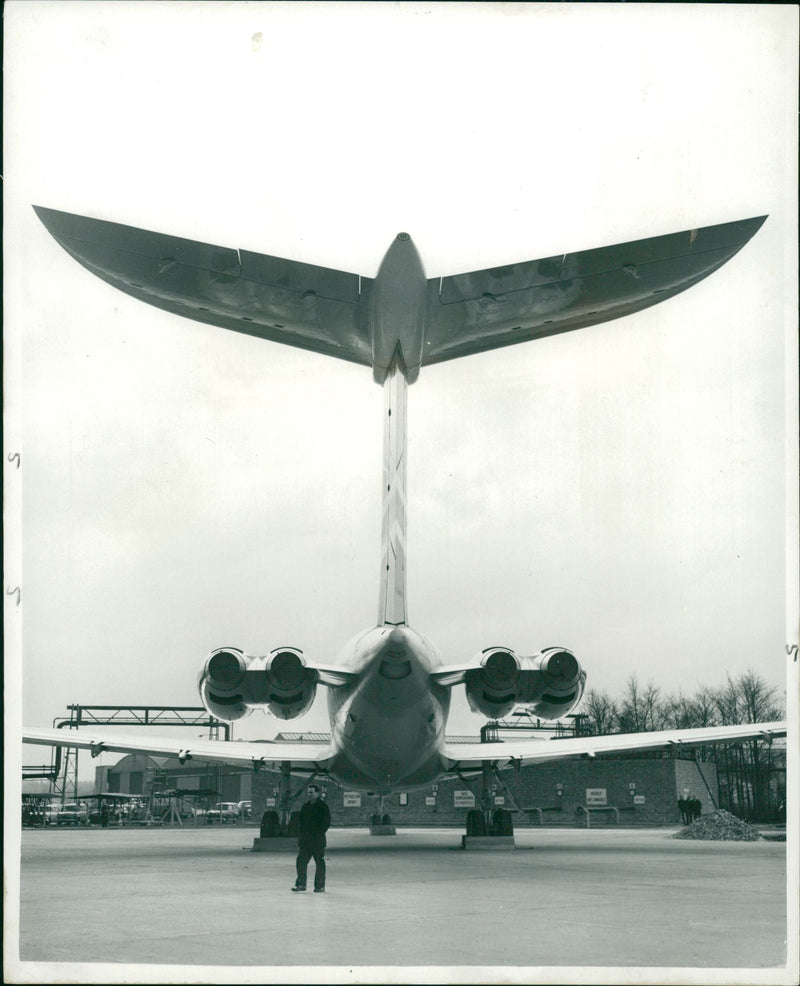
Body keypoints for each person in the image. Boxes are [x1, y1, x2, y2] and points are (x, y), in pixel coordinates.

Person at [292, 785, 331, 893]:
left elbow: (326, 822)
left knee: (319, 863)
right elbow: (301, 822)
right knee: (301, 861)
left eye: (311, 792)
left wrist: (318, 833)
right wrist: (302, 834)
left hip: (317, 840)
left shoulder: (323, 806)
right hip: (305, 841)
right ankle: (301, 884)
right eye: (308, 792)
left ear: (317, 793)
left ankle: (319, 886)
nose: (309, 795)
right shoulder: (305, 807)